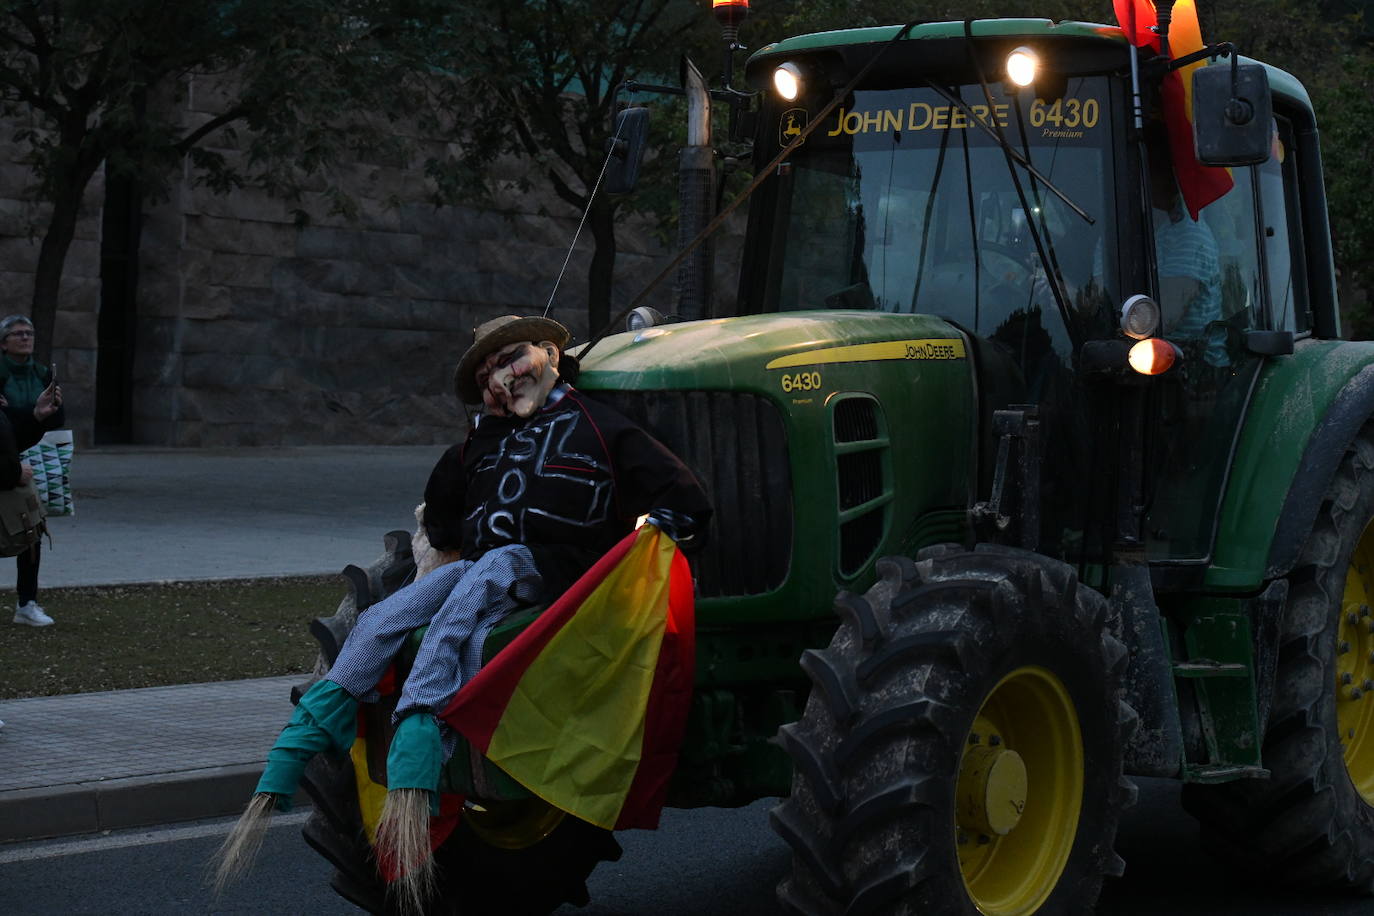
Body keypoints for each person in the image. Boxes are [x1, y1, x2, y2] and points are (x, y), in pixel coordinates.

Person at [215, 314, 711, 909]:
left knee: (470, 602)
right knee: (386, 617)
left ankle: (426, 737)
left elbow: (680, 498)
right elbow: (446, 517)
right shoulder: (481, 443)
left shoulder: (603, 429)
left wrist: (662, 528)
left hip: (553, 570)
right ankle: (305, 739)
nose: (501, 380)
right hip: (482, 566)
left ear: (551, 352)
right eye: (486, 376)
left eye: (510, 360)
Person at [0, 315, 64, 626]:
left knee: (31, 531)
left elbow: (53, 419)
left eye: (29, 332)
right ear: (3, 343)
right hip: (7, 461)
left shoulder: (41, 373)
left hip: (31, 455)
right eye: (17, 334)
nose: (25, 338)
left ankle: (27, 602)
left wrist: (42, 413)